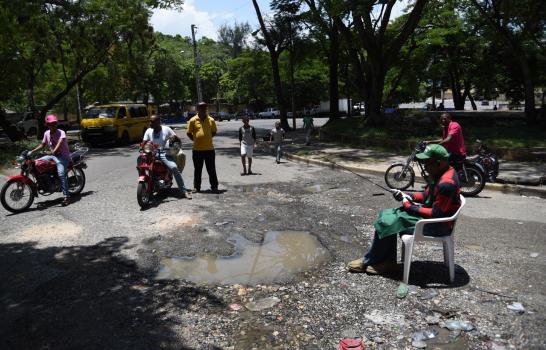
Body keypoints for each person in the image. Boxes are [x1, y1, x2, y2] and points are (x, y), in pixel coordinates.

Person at [347, 144, 461, 274]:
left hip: (437, 226)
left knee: (389, 222)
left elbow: (436, 214)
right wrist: (406, 195)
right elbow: (425, 195)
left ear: (439, 163)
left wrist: (409, 207)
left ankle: (371, 261)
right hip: (431, 219)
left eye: (427, 163)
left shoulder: (446, 184)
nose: (424, 166)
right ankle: (385, 261)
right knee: (386, 215)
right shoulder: (441, 173)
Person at [143, 115, 192, 199]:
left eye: (152, 122)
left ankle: (183, 191)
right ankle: (146, 185)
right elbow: (144, 142)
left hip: (163, 153)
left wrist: (174, 138)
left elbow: (177, 139)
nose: (150, 123)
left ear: (158, 122)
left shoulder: (167, 129)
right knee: (140, 163)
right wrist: (142, 146)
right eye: (150, 121)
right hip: (151, 153)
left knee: (174, 168)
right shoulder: (148, 131)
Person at [28, 114, 72, 206]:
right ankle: (44, 182)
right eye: (50, 124)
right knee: (36, 162)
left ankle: (67, 197)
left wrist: (53, 151)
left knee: (61, 174)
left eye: (54, 123)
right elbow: (42, 144)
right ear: (47, 125)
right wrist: (32, 151)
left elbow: (60, 142)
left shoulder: (61, 132)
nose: (52, 125)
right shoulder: (46, 133)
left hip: (63, 156)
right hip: (52, 156)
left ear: (56, 124)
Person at [186, 102, 219, 193]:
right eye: (201, 108)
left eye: (205, 108)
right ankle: (197, 187)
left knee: (211, 169)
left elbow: (214, 132)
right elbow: (189, 133)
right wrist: (195, 139)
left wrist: (207, 138)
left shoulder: (211, 120)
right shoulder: (193, 120)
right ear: (197, 109)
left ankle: (214, 186)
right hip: (197, 150)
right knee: (197, 170)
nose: (203, 109)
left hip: (209, 149)